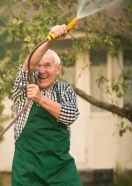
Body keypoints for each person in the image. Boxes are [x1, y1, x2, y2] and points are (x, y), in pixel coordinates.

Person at [11, 25, 82, 185]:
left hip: (61, 173)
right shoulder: (24, 89)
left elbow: (70, 116)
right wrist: (50, 40)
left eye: (47, 65)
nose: (42, 71)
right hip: (28, 175)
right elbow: (28, 65)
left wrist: (40, 99)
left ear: (58, 68)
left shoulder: (64, 89)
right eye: (39, 66)